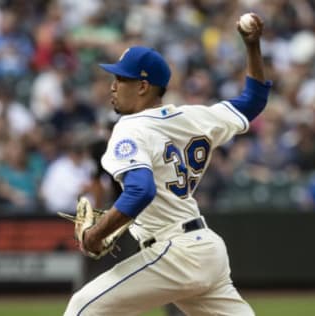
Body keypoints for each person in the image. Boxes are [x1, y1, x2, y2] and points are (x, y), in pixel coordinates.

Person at [64, 13, 271, 316]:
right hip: (206, 250)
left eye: (121, 79)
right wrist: (252, 46)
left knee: (82, 307)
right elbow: (253, 100)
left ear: (144, 86)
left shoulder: (130, 127)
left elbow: (140, 191)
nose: (113, 86)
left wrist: (95, 235)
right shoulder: (195, 117)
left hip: (175, 253)